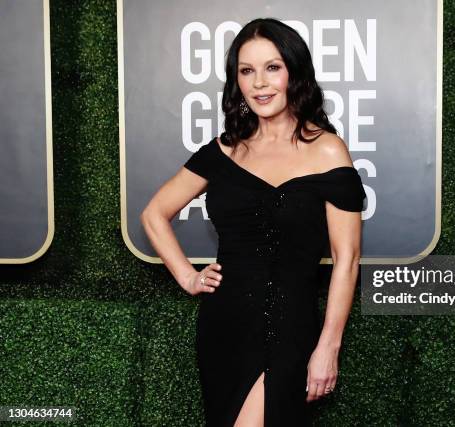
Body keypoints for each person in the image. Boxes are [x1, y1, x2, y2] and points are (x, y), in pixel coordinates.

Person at [140, 18, 366, 426]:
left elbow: (346, 259)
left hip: (290, 327)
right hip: (224, 325)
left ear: (295, 72)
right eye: (247, 71)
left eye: (272, 67)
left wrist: (328, 347)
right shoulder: (225, 150)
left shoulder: (329, 151)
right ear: (237, 81)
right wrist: (188, 277)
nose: (259, 83)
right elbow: (154, 213)